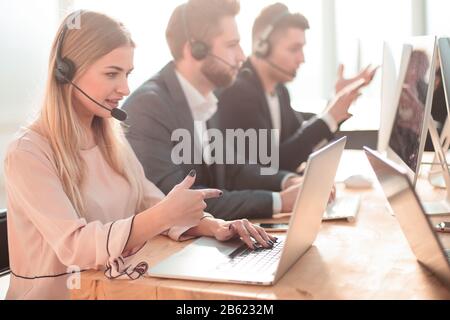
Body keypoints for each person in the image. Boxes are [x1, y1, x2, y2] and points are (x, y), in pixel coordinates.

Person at [4, 10, 275, 300]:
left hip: (115, 290)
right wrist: (163, 214)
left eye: (127, 74)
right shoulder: (28, 153)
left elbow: (150, 202)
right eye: (112, 73)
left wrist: (215, 226)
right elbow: (76, 247)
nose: (125, 88)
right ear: (65, 73)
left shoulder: (110, 137)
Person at [123, 0, 305, 221]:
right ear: (196, 50)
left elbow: (233, 170)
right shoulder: (149, 107)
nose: (241, 56)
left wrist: (287, 181)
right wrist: (280, 201)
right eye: (231, 45)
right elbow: (181, 202)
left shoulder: (207, 97)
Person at [216, 3, 377, 172]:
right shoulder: (239, 93)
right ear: (261, 46)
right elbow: (270, 164)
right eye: (294, 49)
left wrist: (337, 101)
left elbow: (301, 141)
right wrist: (330, 116)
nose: (302, 58)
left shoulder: (279, 92)